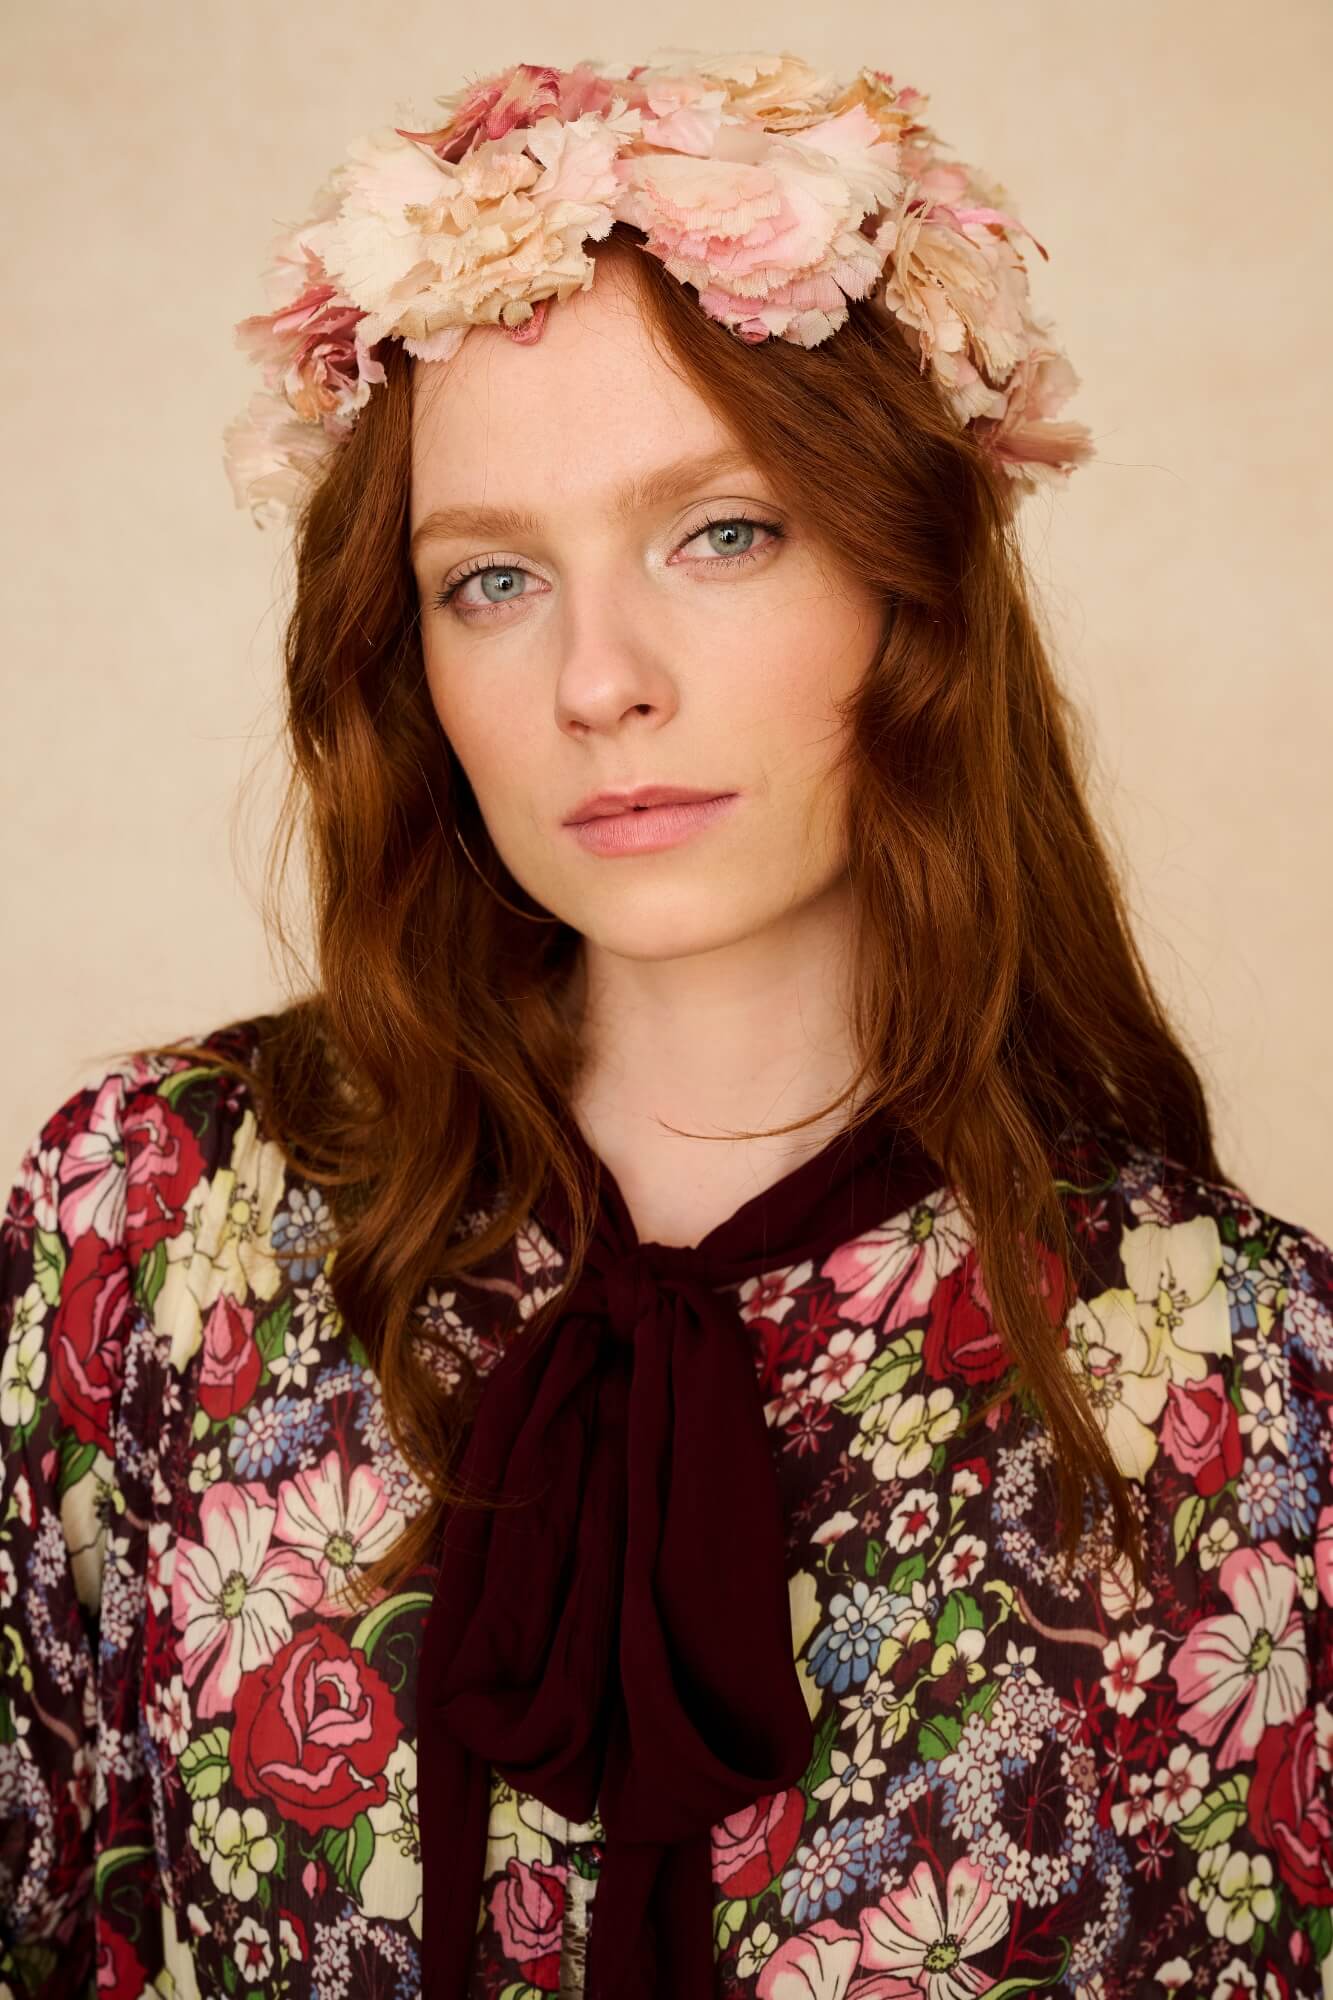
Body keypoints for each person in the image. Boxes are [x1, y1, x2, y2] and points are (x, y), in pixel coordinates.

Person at [2, 45, 1330, 2000]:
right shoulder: (156, 1224)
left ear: (910, 579)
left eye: (721, 532)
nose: (597, 679)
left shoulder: (1236, 1378)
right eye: (491, 579)